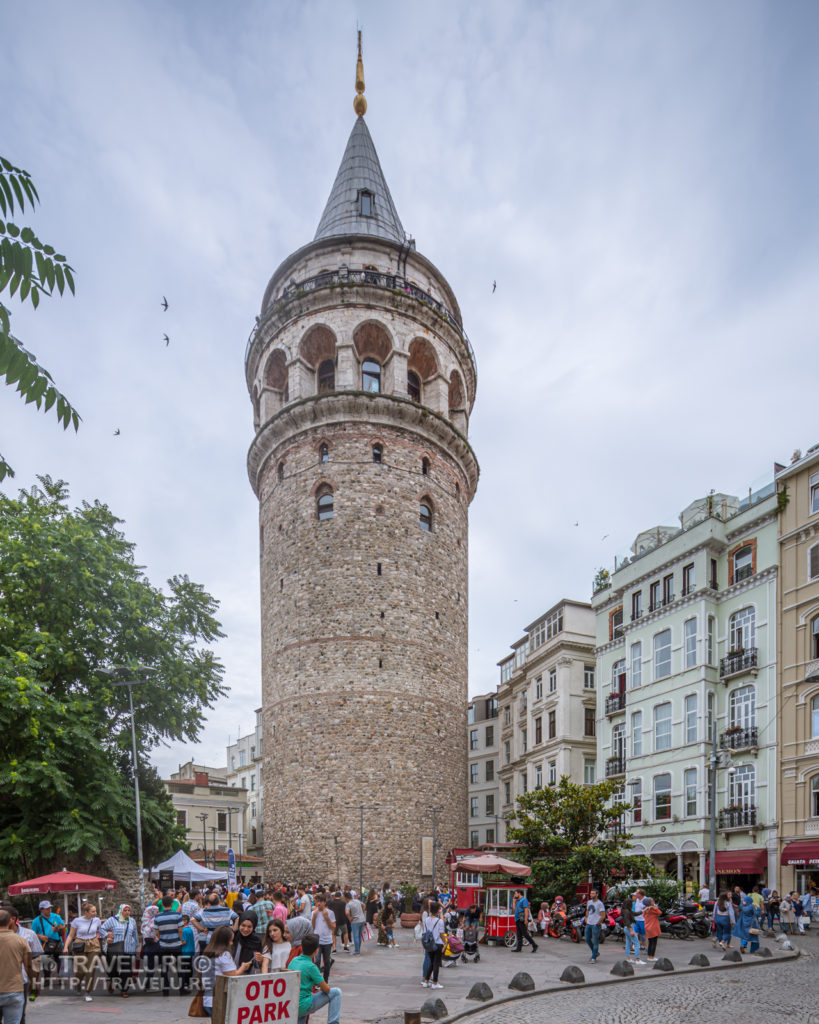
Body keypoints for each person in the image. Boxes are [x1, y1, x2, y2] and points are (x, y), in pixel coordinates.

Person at [291, 932, 342, 1024]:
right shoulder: (311, 967)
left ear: (302, 947)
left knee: (304, 1003)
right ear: (317, 950)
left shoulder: (294, 960)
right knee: (336, 992)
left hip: (292, 1003)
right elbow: (326, 989)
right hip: (303, 1005)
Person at [200, 925, 250, 1018]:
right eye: (230, 940)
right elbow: (232, 976)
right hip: (219, 1000)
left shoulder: (207, 953)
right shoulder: (223, 955)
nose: (231, 943)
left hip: (208, 1000)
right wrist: (243, 967)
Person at [3, 905, 41, 1019]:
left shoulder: (29, 935)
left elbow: (34, 960)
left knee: (20, 1016)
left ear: (13, 919)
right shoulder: (21, 939)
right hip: (9, 983)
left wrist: (34, 982)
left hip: (20, 982)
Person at [63, 902, 102, 1002]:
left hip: (93, 944)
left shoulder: (97, 920)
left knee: (90, 969)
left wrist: (109, 935)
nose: (95, 913)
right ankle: (78, 983)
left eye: (95, 911)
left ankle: (88, 992)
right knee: (81, 970)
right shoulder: (77, 921)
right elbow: (71, 935)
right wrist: (66, 947)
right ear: (86, 912)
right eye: (93, 911)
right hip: (80, 945)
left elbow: (101, 931)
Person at [0, 908, 31, 1024]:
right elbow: (28, 966)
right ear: (10, 921)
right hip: (14, 990)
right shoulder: (21, 941)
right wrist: (34, 983)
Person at [100, 904, 138, 997]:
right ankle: (113, 981)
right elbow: (101, 928)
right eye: (125, 910)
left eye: (129, 910)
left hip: (129, 949)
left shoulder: (132, 921)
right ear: (121, 911)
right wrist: (107, 936)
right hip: (115, 949)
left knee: (127, 971)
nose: (127, 912)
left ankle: (124, 990)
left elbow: (135, 934)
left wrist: (136, 946)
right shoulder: (112, 920)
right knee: (113, 969)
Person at [154, 895, 184, 996]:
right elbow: (180, 930)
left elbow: (157, 932)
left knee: (164, 969)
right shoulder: (177, 915)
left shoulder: (157, 917)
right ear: (172, 904)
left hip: (163, 945)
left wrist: (162, 939)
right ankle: (182, 989)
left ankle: (165, 990)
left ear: (162, 904)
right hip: (176, 944)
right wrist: (180, 939)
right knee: (180, 967)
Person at [30, 900, 64, 985]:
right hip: (45, 944)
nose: (49, 910)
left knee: (60, 960)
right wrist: (40, 937)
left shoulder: (56, 916)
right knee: (46, 962)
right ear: (41, 909)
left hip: (57, 943)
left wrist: (59, 928)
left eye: (50, 908)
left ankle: (61, 977)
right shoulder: (36, 920)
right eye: (47, 909)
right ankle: (47, 979)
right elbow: (32, 934)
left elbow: (64, 927)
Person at [421, 900, 445, 990]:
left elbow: (425, 931)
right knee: (436, 963)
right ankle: (435, 982)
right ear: (438, 910)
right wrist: (446, 942)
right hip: (438, 943)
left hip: (429, 944)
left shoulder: (426, 919)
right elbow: (441, 934)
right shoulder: (439, 921)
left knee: (431, 962)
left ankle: (426, 980)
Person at [311, 895, 336, 980]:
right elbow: (313, 927)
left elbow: (333, 927)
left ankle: (325, 980)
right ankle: (318, 981)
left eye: (321, 901)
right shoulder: (314, 913)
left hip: (327, 941)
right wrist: (314, 917)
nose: (319, 904)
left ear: (324, 902)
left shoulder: (330, 913)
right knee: (317, 961)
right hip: (317, 940)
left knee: (327, 962)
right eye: (317, 901)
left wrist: (327, 917)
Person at [582, 889, 605, 964]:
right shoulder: (589, 902)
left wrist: (598, 923)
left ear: (597, 894)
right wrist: (586, 918)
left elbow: (603, 915)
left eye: (593, 893)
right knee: (587, 939)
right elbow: (587, 911)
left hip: (595, 924)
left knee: (595, 941)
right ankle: (595, 952)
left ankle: (593, 957)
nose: (591, 895)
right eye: (591, 893)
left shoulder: (600, 904)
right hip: (589, 923)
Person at [621, 897, 643, 965]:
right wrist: (631, 931)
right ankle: (638, 959)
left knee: (628, 943)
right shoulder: (627, 911)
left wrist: (643, 911)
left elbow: (634, 913)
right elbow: (627, 922)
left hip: (626, 928)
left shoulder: (625, 910)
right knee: (636, 943)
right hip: (630, 927)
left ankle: (628, 958)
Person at [179, 915, 196, 994]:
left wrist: (178, 944)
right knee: (189, 967)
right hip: (190, 950)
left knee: (184, 968)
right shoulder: (190, 929)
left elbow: (184, 941)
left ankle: (185, 982)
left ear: (185, 921)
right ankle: (188, 982)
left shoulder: (184, 930)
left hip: (185, 951)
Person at [345, 891, 366, 956]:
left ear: (346, 898)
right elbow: (364, 905)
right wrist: (362, 912)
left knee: (356, 936)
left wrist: (350, 918)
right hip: (362, 920)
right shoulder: (357, 901)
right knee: (359, 936)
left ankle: (357, 951)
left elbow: (347, 913)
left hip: (355, 921)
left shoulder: (348, 904)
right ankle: (358, 949)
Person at [642, 897, 662, 962]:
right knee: (654, 943)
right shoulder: (652, 910)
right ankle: (652, 957)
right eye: (652, 901)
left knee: (650, 942)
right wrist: (655, 908)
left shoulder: (645, 910)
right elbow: (660, 913)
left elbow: (643, 915)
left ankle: (649, 956)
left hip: (647, 927)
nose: (653, 902)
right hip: (653, 927)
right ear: (650, 903)